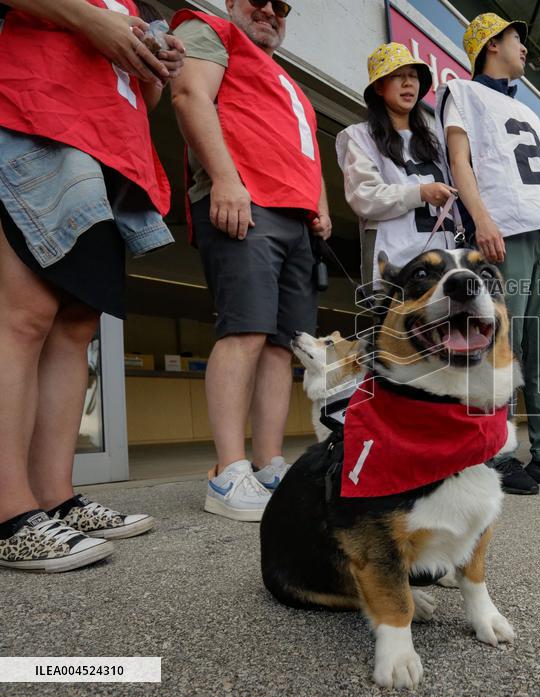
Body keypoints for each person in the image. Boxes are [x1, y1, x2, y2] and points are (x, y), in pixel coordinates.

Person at [0, 0, 184, 571]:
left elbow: (139, 96)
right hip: (33, 114)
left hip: (109, 148)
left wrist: (151, 62)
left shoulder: (129, 4)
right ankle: (8, 512)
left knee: (78, 323)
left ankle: (56, 496)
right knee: (24, 314)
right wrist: (88, 19)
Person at [171, 0, 333, 521]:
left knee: (283, 346)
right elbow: (190, 93)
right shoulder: (213, 30)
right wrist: (223, 178)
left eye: (280, 5)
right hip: (246, 201)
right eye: (255, 0)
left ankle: (268, 465)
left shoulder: (288, 84)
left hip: (294, 216)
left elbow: (307, 153)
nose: (268, 10)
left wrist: (322, 208)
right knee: (245, 330)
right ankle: (227, 471)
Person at [437, 13, 540, 493]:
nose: (523, 45)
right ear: (490, 44)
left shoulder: (528, 112)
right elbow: (459, 160)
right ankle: (494, 450)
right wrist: (480, 217)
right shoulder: (461, 91)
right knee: (499, 344)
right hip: (505, 229)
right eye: (514, 38)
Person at [336, 43, 457, 285]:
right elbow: (365, 197)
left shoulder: (436, 141)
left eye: (413, 76)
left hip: (446, 269)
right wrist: (421, 192)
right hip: (394, 268)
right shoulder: (359, 136)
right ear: (379, 87)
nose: (408, 83)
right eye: (398, 76)